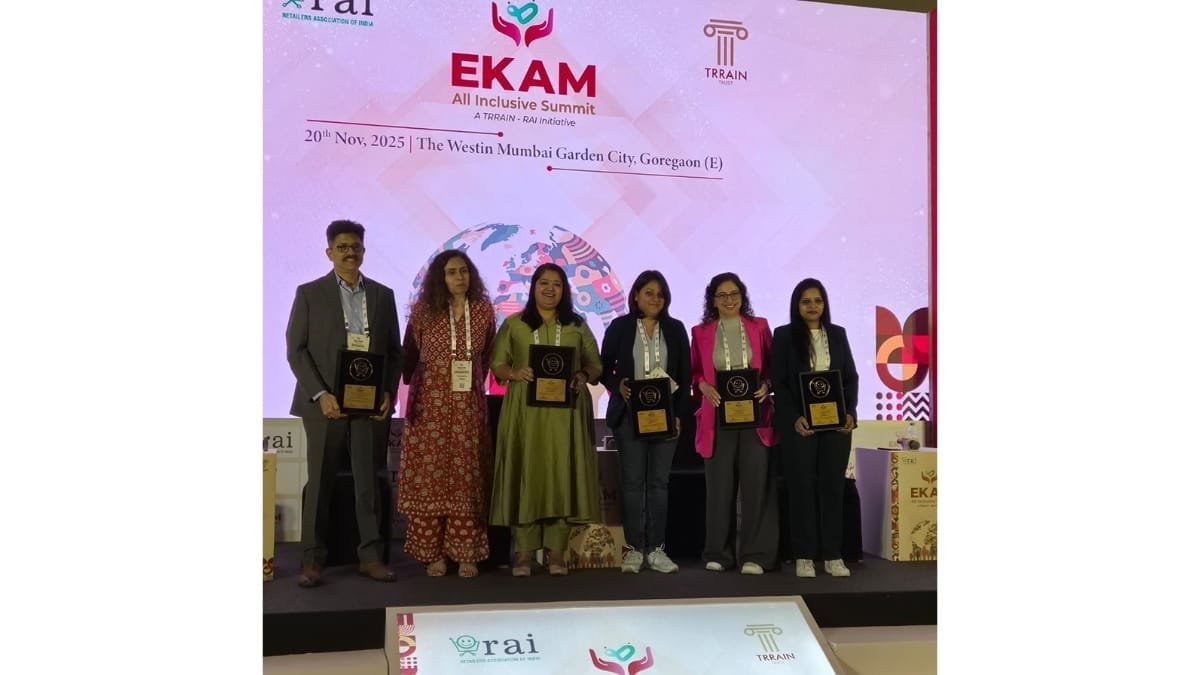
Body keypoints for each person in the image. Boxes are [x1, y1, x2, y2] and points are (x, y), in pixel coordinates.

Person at [285, 219, 404, 587]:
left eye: (355, 246)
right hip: (325, 404)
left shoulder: (383, 295)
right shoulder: (309, 293)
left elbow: (394, 352)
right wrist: (320, 394)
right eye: (342, 247)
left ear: (364, 251)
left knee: (369, 482)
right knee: (320, 484)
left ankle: (371, 557)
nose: (349, 252)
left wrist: (388, 392)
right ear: (329, 253)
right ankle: (312, 561)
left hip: (369, 405)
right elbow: (296, 350)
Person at [489, 263, 603, 577]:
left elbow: (595, 364)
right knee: (528, 473)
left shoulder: (577, 325)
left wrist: (583, 375)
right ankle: (524, 553)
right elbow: (497, 364)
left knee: (561, 475)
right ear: (533, 287)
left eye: (557, 284)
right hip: (526, 414)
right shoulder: (514, 324)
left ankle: (557, 552)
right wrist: (515, 372)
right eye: (544, 283)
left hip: (566, 415)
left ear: (564, 290)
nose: (550, 289)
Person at [396, 250, 497, 578]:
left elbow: (487, 356)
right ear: (440, 278)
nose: (459, 277)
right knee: (430, 478)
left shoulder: (483, 311)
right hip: (429, 407)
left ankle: (466, 551)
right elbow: (409, 357)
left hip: (468, 408)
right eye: (452, 272)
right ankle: (432, 553)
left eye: (464, 271)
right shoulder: (423, 311)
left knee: (466, 476)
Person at [600, 270, 691, 574]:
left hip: (665, 416)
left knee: (658, 483)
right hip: (629, 416)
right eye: (649, 292)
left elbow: (685, 376)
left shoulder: (675, 329)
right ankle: (633, 549)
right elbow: (603, 368)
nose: (655, 298)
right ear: (636, 295)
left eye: (660, 294)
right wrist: (618, 385)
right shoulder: (620, 327)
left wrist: (678, 415)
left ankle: (657, 549)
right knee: (632, 482)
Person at [690, 272, 778, 575]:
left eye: (734, 294)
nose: (729, 300)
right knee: (719, 487)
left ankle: (757, 555)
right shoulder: (700, 332)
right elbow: (695, 373)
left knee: (757, 486)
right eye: (722, 295)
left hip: (755, 417)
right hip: (717, 416)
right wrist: (702, 385)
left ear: (742, 296)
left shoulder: (760, 326)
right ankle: (719, 553)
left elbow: (771, 367)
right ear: (712, 300)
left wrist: (767, 384)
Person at [772, 278, 859, 578]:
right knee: (801, 489)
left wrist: (850, 412)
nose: (812, 306)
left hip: (836, 425)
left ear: (825, 304)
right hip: (801, 426)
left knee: (832, 488)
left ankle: (833, 555)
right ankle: (804, 555)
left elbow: (850, 377)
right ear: (797, 305)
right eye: (806, 301)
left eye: (818, 301)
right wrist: (793, 417)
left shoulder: (838, 333)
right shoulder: (784, 335)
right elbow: (779, 382)